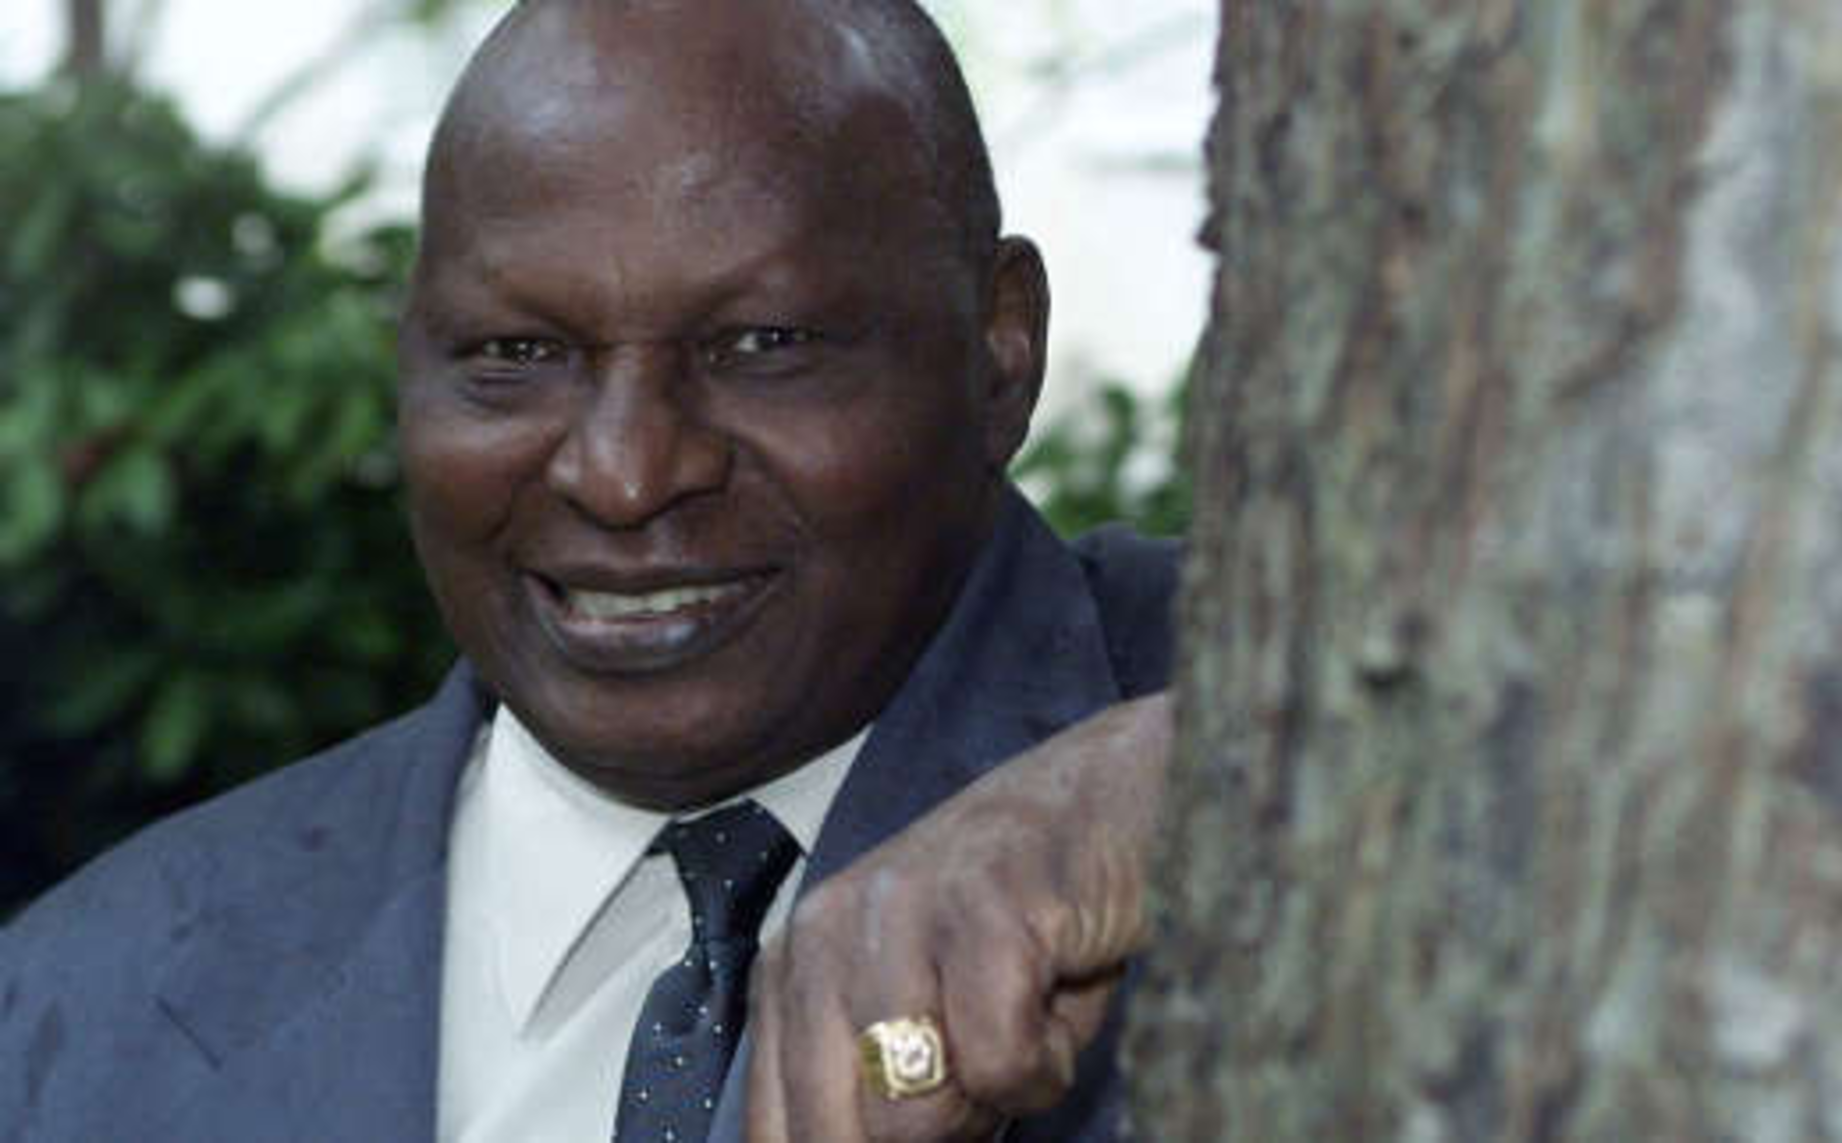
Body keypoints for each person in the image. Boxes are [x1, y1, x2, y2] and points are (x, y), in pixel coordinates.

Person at [0, 1, 1175, 1140]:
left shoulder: (1220, 746)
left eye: (763, 344)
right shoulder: (76, 1012)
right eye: (516, 353)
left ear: (1000, 347)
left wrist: (1197, 783)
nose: (624, 475)